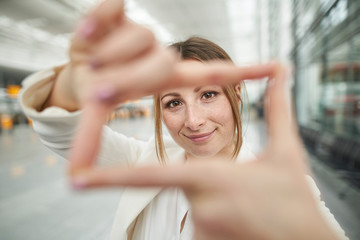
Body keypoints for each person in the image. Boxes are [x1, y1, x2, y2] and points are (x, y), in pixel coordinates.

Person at [19, 0, 348, 239]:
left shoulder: (286, 191)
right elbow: (65, 135)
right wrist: (75, 86)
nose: (193, 121)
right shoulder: (148, 161)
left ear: (235, 93)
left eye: (208, 95)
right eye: (174, 102)